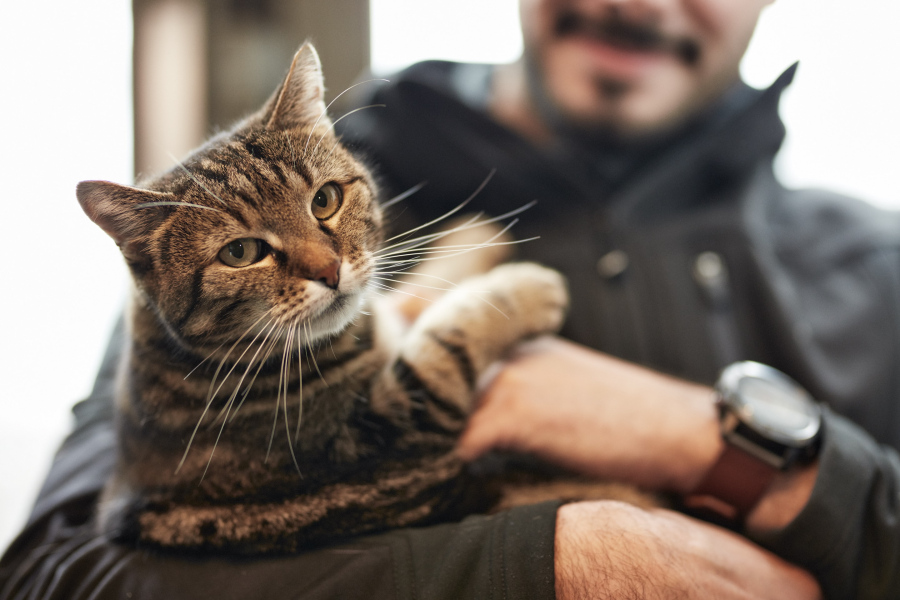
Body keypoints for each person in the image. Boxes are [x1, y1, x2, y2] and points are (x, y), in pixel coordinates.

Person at [1, 2, 897, 600]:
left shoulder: (876, 258)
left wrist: (706, 439)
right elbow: (56, 575)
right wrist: (547, 564)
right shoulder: (270, 195)